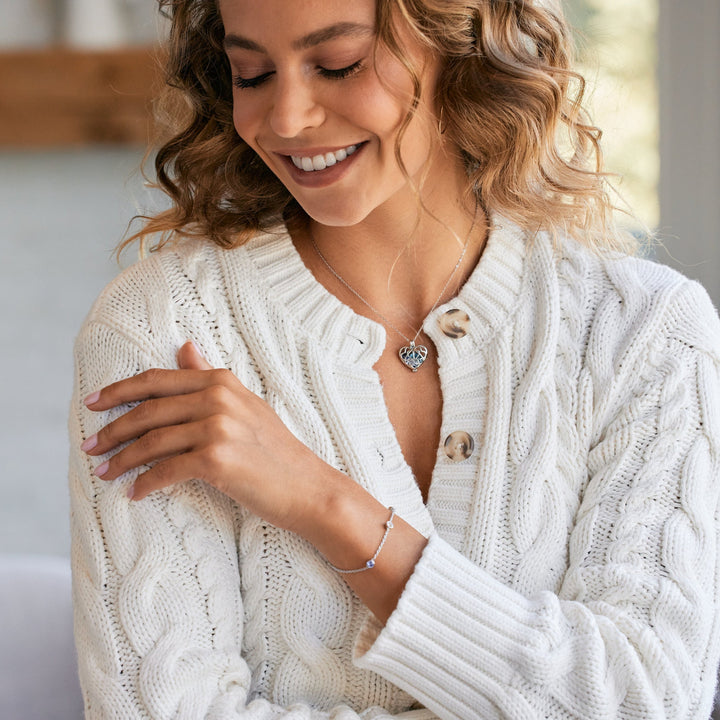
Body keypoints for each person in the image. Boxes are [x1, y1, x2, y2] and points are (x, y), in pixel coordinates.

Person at [68, 0, 720, 717]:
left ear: (459, 47)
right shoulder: (161, 326)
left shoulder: (645, 331)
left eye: (338, 63)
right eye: (251, 73)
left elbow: (652, 700)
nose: (285, 118)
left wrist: (326, 503)